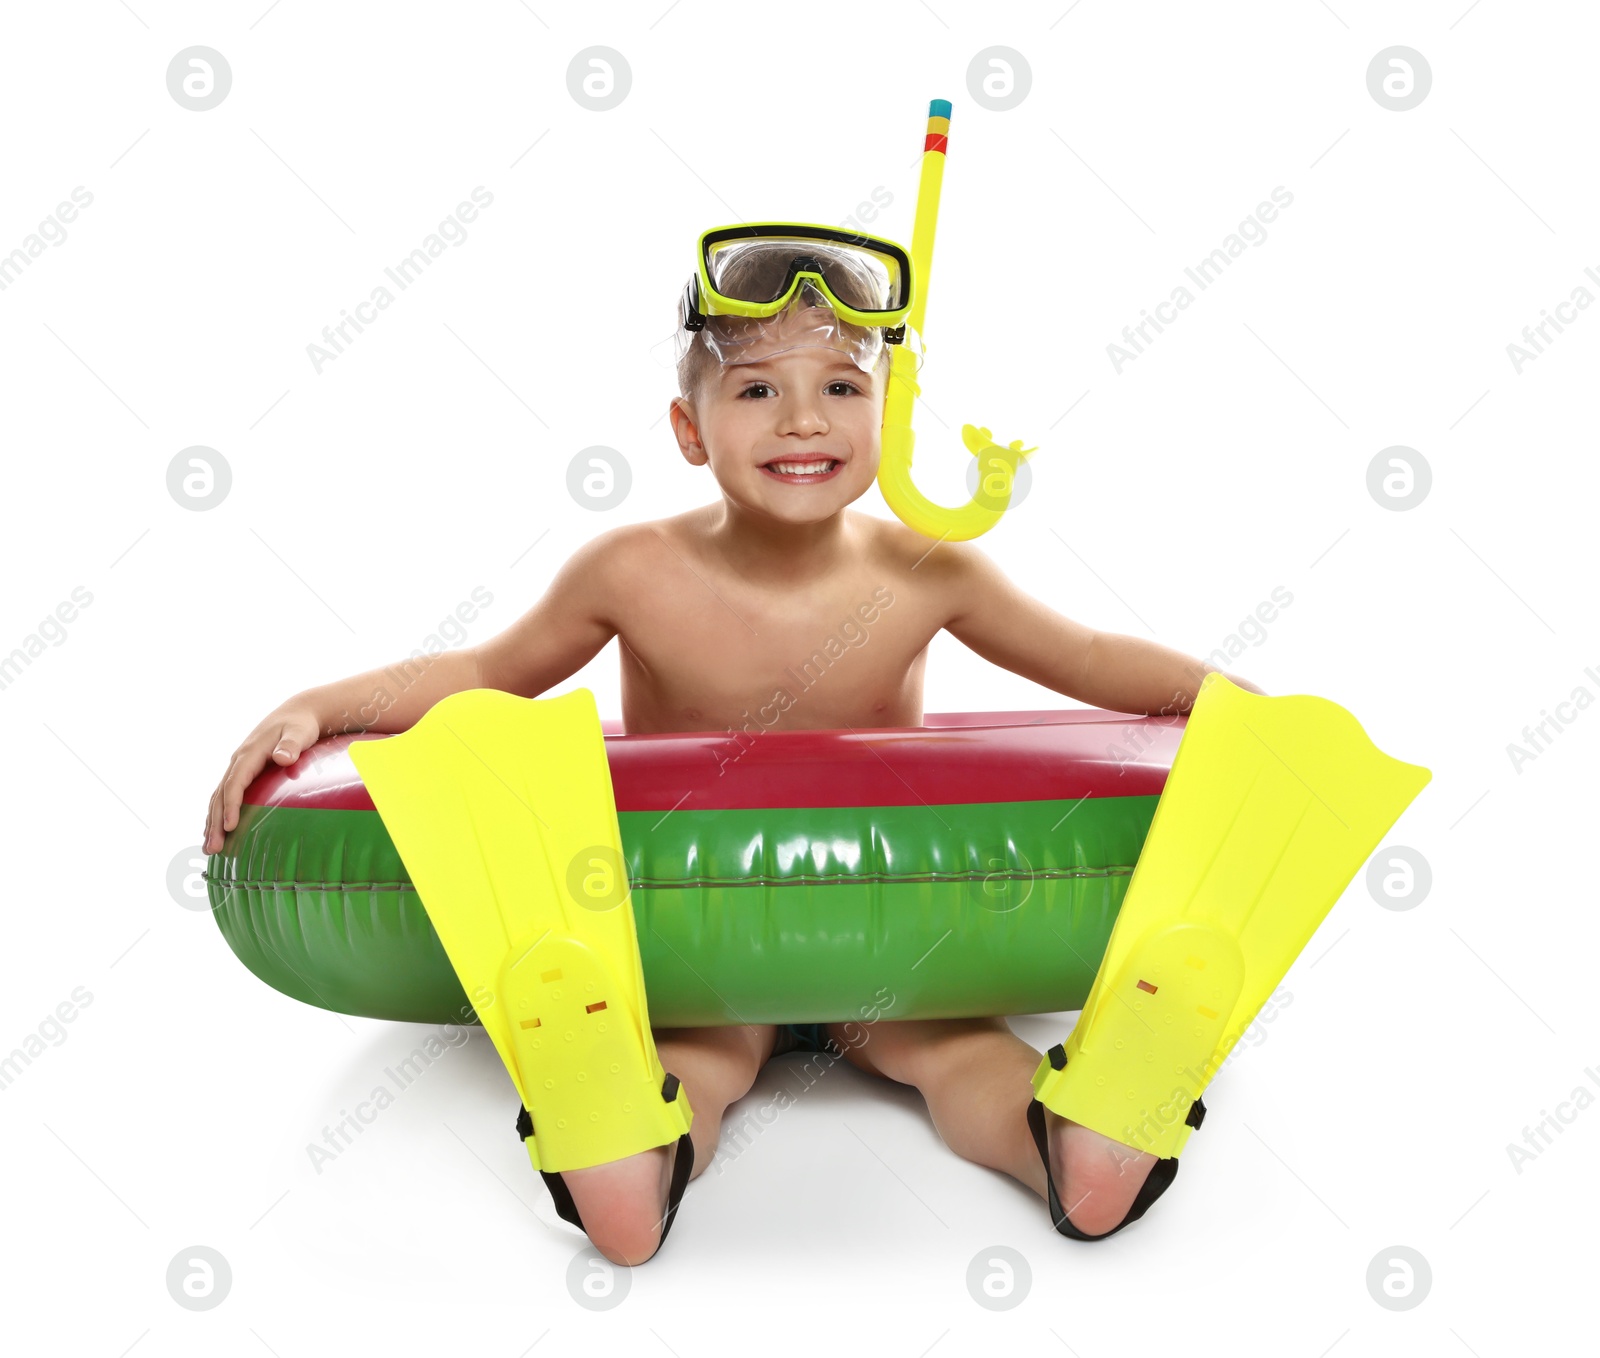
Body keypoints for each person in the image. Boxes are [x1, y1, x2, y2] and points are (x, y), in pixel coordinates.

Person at [202, 226, 1264, 1267]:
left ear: (890, 415)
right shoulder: (630, 569)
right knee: (869, 1047)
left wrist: (1222, 697)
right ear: (687, 426)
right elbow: (487, 675)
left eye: (842, 388)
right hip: (708, 930)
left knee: (890, 1050)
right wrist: (324, 703)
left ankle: (1063, 1141)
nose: (804, 418)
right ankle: (629, 1140)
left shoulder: (931, 568)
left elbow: (1082, 656)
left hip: (869, 926)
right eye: (757, 388)